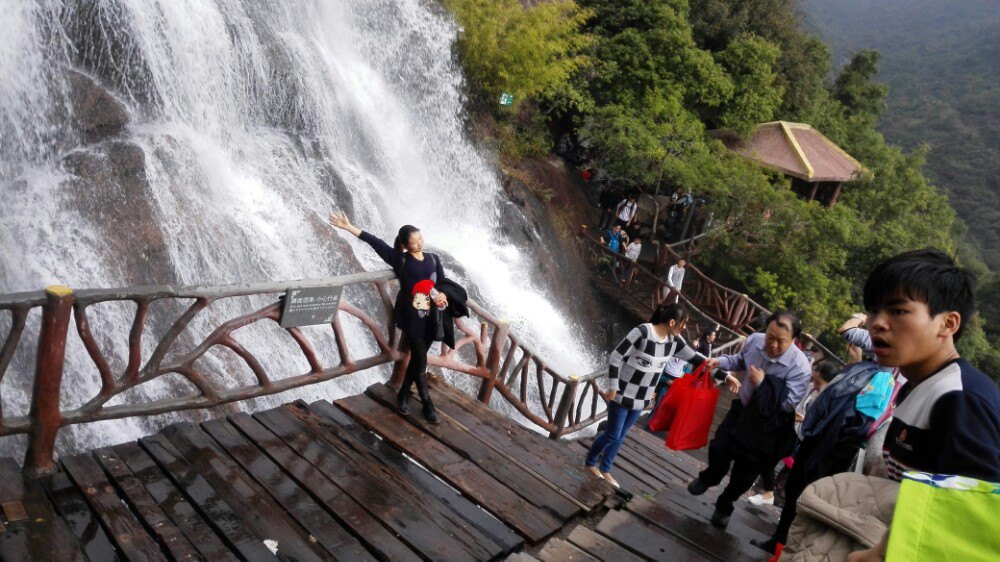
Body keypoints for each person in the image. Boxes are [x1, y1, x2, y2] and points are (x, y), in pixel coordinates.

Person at [843, 249, 1000, 561]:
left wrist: (877, 554)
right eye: (873, 311)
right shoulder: (918, 386)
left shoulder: (959, 399)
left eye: (898, 311)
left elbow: (973, 520)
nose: (877, 324)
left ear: (947, 323)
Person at [687, 311, 812, 528]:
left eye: (780, 341)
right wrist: (720, 361)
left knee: (745, 473)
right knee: (719, 447)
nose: (772, 344)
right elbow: (740, 360)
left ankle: (725, 504)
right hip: (741, 410)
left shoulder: (800, 368)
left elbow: (788, 404)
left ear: (793, 341)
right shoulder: (755, 341)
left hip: (765, 426)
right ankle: (710, 477)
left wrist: (764, 384)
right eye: (769, 337)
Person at [585, 303, 725, 488]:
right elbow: (616, 356)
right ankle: (589, 462)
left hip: (642, 399)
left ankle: (605, 469)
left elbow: (699, 359)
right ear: (672, 322)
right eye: (683, 324)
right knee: (612, 434)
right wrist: (613, 386)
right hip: (622, 393)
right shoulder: (642, 332)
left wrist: (726, 376)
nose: (684, 328)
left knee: (621, 435)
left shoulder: (674, 341)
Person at [328, 211, 449, 424]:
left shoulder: (433, 259)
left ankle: (403, 393)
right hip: (412, 318)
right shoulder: (400, 259)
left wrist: (442, 296)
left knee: (418, 360)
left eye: (421, 239)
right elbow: (375, 242)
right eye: (414, 243)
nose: (420, 244)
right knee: (420, 362)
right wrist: (349, 227)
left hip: (432, 317)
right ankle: (427, 405)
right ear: (405, 245)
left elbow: (443, 284)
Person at [747, 360, 838, 507]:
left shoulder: (829, 399)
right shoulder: (810, 388)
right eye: (813, 380)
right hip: (791, 429)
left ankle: (770, 494)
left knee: (777, 462)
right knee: (769, 457)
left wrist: (805, 420)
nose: (814, 385)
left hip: (802, 438)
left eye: (818, 383)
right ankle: (765, 492)